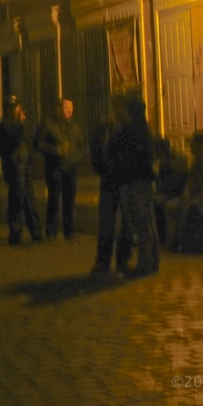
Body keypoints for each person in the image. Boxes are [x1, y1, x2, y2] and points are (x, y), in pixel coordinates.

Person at [111, 92, 159, 275]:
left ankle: (147, 262)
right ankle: (149, 260)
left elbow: (130, 157)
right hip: (135, 180)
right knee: (143, 221)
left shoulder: (136, 131)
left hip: (136, 181)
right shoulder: (136, 129)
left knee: (142, 221)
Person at [89, 93, 133, 275]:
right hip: (109, 179)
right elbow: (95, 147)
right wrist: (100, 167)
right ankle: (103, 260)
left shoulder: (128, 127)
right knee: (107, 221)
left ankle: (123, 259)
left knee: (126, 222)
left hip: (123, 179)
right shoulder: (105, 126)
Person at [34, 99, 84, 240]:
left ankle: (70, 231)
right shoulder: (48, 124)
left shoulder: (74, 126)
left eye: (71, 108)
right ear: (58, 109)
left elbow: (80, 145)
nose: (69, 111)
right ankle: (51, 230)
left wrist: (76, 159)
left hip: (70, 168)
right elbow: (38, 143)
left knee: (70, 200)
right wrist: (55, 150)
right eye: (66, 108)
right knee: (54, 199)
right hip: (54, 167)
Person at [0, 95, 42, 245]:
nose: (16, 110)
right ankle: (16, 233)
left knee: (30, 200)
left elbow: (27, 142)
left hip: (24, 166)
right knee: (16, 201)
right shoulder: (4, 126)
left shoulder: (17, 124)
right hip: (14, 167)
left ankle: (35, 231)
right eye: (13, 108)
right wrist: (21, 124)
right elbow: (14, 140)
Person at [153, 136, 189, 246]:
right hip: (176, 192)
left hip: (175, 193)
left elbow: (169, 184)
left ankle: (162, 238)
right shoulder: (176, 158)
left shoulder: (168, 162)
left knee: (156, 204)